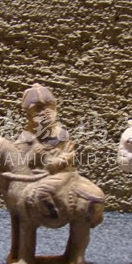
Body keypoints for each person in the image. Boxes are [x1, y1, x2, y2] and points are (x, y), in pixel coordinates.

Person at [16, 83, 76, 219]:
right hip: (34, 177)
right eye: (38, 109)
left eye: (49, 107)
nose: (45, 112)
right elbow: (19, 163)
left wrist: (58, 162)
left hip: (61, 176)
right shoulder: (26, 137)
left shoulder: (62, 134)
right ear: (29, 115)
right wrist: (33, 154)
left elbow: (70, 154)